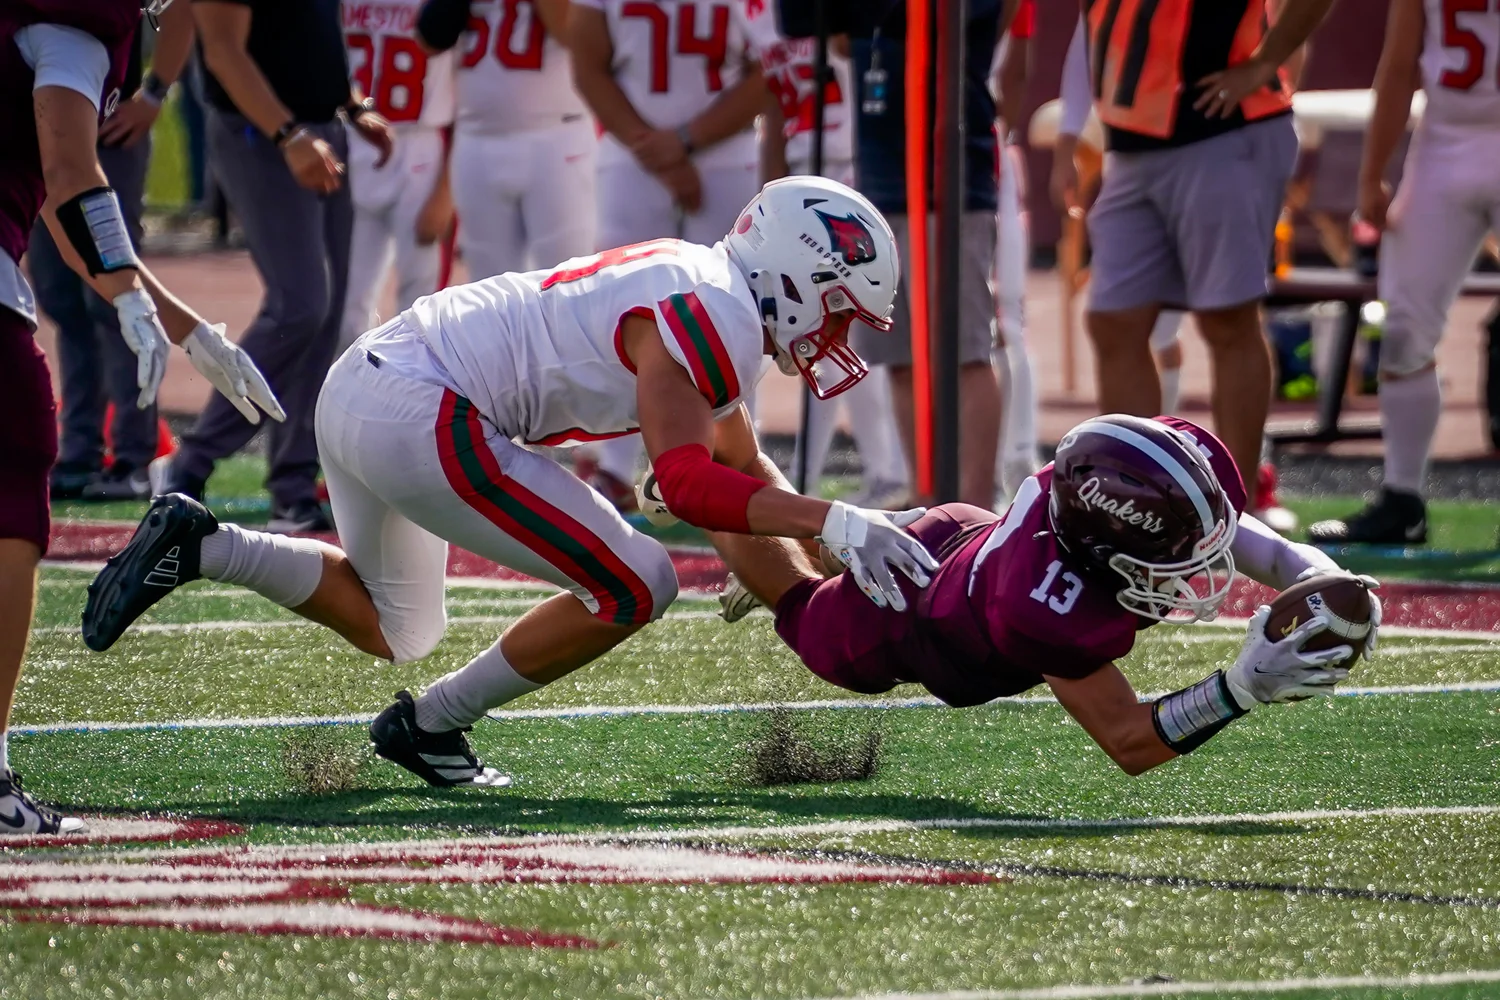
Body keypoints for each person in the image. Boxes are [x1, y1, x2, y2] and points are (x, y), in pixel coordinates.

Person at [82, 177, 939, 788]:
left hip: (370, 382)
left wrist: (819, 585)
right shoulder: (714, 313)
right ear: (796, 276)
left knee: (400, 626)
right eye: (837, 308)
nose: (836, 336)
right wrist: (845, 522)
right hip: (428, 406)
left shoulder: (704, 282)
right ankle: (432, 725)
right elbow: (685, 485)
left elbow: (743, 474)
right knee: (640, 582)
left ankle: (206, 546)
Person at [714, 413, 1383, 775]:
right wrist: (1238, 689)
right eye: (1183, 547)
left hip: (959, 539)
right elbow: (1129, 741)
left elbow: (1239, 535)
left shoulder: (1087, 490)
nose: (1204, 560)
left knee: (861, 553)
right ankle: (717, 493)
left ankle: (810, 527)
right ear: (1104, 547)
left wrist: (1315, 575)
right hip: (904, 621)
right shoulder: (1045, 609)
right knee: (805, 611)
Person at [1, 0, 282, 835]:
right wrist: (128, 299)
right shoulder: (76, 22)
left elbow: (61, 205)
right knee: (14, 484)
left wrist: (186, 328)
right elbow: (70, 170)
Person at [1070, 0, 1335, 498]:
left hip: (1223, 129)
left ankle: (1234, 507)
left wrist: (1263, 62)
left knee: (1227, 319)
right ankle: (1137, 495)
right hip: (1132, 140)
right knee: (1114, 320)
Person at [150, 0, 394, 533]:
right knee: (301, 305)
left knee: (327, 316)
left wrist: (349, 106)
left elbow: (306, 38)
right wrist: (289, 135)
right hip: (262, 134)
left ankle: (293, 482)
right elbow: (224, 53)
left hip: (318, 130)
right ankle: (190, 463)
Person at [1308, 0, 1500, 545]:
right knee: (1403, 328)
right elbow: (1398, 63)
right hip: (1444, 145)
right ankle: (1403, 498)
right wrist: (1372, 174)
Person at [571, 0, 766, 506]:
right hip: (644, 153)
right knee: (616, 308)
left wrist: (677, 143)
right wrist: (666, 150)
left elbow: (773, 67)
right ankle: (614, 468)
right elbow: (588, 65)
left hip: (714, 151)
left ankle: (739, 462)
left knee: (743, 306)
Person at [848, 0, 1006, 511]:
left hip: (949, 176)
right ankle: (928, 492)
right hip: (880, 175)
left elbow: (966, 25)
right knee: (898, 352)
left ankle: (975, 502)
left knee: (963, 350)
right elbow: (827, 30)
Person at [746, 0, 905, 506]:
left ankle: (886, 471)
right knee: (805, 327)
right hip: (801, 171)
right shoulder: (756, 14)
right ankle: (807, 478)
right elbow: (773, 102)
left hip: (856, 168)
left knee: (849, 325)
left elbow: (848, 42)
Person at [32, 8, 192, 503]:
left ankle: (133, 454)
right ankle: (78, 445)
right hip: (42, 131)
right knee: (59, 294)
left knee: (115, 296)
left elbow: (182, 8)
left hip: (106, 125)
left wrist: (155, 90)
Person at [414, 0, 595, 282]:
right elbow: (431, 38)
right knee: (489, 287)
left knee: (568, 279)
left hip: (556, 135)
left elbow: (569, 31)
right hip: (478, 136)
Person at [335, 0, 458, 355]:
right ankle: (356, 394)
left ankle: (417, 401)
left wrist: (445, 193)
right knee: (345, 309)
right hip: (353, 138)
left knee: (423, 306)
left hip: (421, 143)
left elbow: (470, 100)